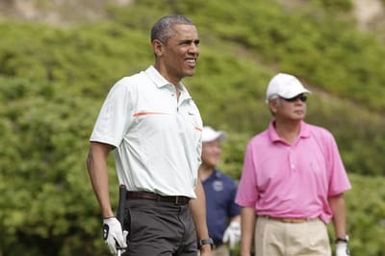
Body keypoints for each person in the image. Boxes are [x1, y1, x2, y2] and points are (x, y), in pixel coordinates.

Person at [86, 15, 212, 256]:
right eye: (185, 43)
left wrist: (204, 241)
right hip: (146, 216)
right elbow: (96, 154)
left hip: (186, 223)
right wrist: (108, 217)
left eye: (196, 43)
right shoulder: (131, 88)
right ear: (159, 47)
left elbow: (193, 177)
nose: (194, 50)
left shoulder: (190, 106)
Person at [235, 73, 352, 256]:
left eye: (303, 98)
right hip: (269, 232)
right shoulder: (256, 146)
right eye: (292, 98)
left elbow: (336, 195)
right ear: (274, 105)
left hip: (312, 231)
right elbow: (248, 203)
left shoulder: (324, 139)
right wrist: (244, 251)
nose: (299, 103)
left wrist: (341, 243)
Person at [198, 126, 241, 256]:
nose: (217, 151)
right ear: (198, 148)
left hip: (219, 250)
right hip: (188, 250)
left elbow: (236, 213)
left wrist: (235, 225)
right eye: (211, 146)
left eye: (218, 147)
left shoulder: (228, 183)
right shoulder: (184, 181)